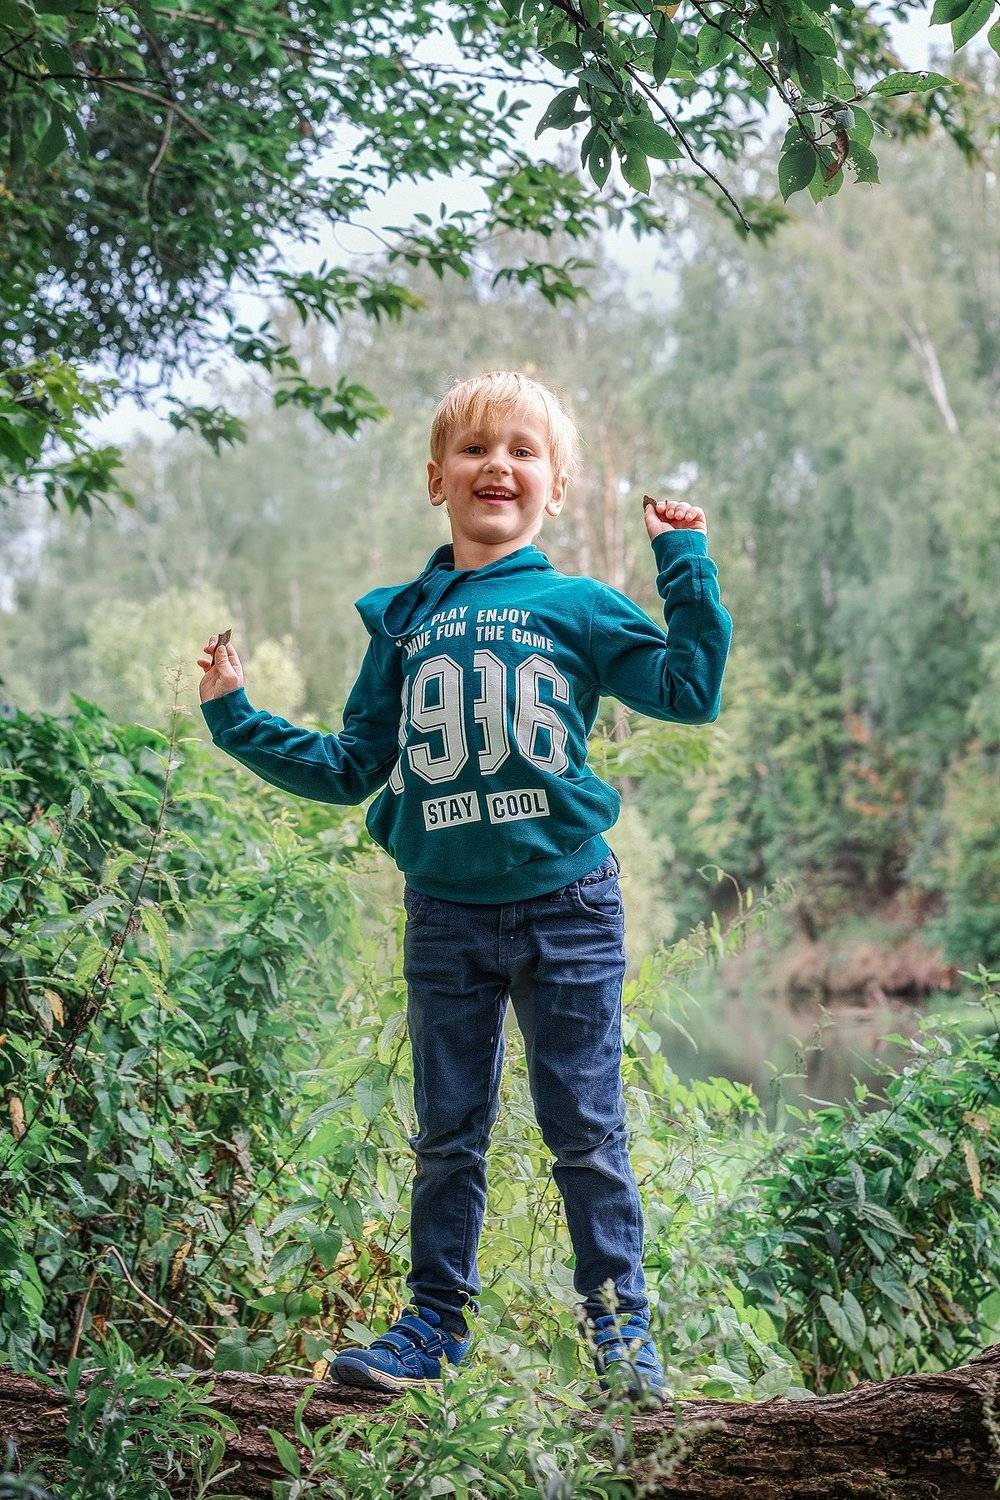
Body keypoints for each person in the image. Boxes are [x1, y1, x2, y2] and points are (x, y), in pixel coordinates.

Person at [197, 369, 733, 1406]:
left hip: (568, 906)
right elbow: (351, 766)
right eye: (477, 449)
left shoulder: (577, 606)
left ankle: (622, 1339)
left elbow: (688, 688)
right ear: (436, 478)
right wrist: (235, 715)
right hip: (444, 913)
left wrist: (685, 561)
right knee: (447, 1135)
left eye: (524, 451)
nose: (499, 465)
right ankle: (432, 1330)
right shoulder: (404, 622)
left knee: (585, 1131)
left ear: (556, 488)